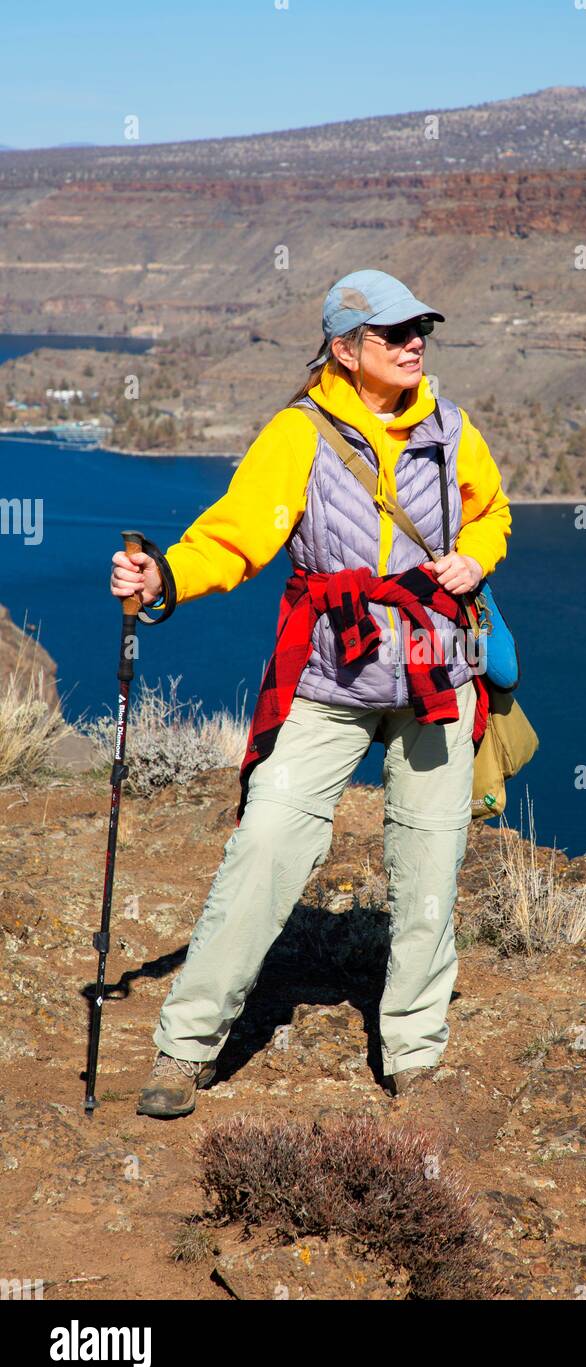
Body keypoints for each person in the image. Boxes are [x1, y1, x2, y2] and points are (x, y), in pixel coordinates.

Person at [110, 268, 512, 1118]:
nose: (415, 344)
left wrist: (478, 553)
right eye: (395, 333)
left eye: (421, 330)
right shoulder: (298, 435)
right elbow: (239, 531)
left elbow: (492, 512)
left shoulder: (451, 427)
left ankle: (413, 1052)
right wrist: (166, 576)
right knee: (266, 844)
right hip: (333, 678)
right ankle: (186, 1049)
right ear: (343, 348)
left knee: (430, 860)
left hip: (436, 674)